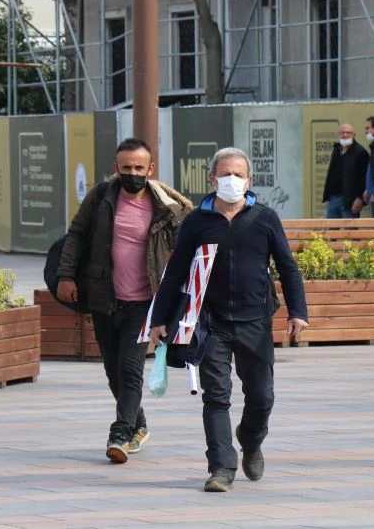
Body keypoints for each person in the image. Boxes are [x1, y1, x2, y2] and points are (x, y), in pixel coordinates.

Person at [148, 147, 308, 492]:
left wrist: (298, 311)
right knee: (216, 396)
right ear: (212, 179)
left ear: (249, 180)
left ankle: (250, 439)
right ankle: (221, 468)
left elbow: (288, 267)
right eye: (225, 174)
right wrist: (159, 319)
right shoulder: (197, 221)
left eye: (238, 174)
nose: (231, 180)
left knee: (262, 396)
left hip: (255, 321)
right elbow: (175, 272)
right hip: (210, 322)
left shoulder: (265, 218)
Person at [56, 138, 193, 463]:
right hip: (105, 297)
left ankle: (120, 434)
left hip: (144, 302)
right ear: (116, 168)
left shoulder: (167, 207)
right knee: (113, 371)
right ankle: (138, 423)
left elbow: (184, 250)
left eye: (138, 167)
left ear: (150, 169)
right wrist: (66, 275)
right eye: (126, 167)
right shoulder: (101, 197)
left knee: (130, 369)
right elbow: (76, 235)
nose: (132, 173)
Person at [322, 123, 369, 218]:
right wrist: (327, 196)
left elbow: (364, 178)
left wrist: (360, 198)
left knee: (349, 227)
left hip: (350, 201)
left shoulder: (360, 152)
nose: (345, 135)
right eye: (342, 132)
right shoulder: (336, 150)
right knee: (331, 227)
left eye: (348, 132)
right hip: (333, 199)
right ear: (338, 134)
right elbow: (331, 174)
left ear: (354, 135)